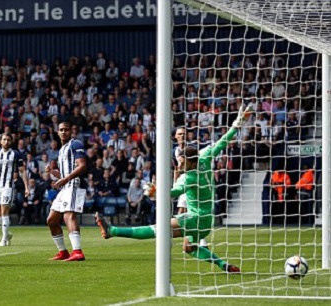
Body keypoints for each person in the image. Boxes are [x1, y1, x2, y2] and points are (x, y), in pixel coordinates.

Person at [95, 104, 251, 274]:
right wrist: (237, 124)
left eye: (182, 161)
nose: (180, 164)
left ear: (190, 161)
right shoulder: (205, 158)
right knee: (189, 248)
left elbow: (172, 193)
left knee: (158, 229)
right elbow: (223, 142)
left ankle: (113, 230)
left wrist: (156, 191)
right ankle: (224, 265)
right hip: (206, 221)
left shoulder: (189, 178)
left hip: (195, 219)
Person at [44, 121, 88, 262]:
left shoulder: (76, 144)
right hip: (65, 186)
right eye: (61, 130)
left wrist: (66, 178)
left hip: (74, 184)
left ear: (71, 132)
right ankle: (63, 252)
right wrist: (53, 172)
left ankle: (77, 252)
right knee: (51, 220)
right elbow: (63, 174)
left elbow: (82, 166)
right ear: (57, 132)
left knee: (68, 215)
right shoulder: (62, 150)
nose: (63, 132)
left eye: (66, 130)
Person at [0, 133, 29, 246]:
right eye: (4, 140)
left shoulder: (16, 154)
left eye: (8, 140)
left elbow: (22, 171)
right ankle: (7, 234)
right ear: (0, 141)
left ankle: (4, 240)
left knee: (4, 212)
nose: (6, 142)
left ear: (11, 141)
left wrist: (26, 187)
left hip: (8, 187)